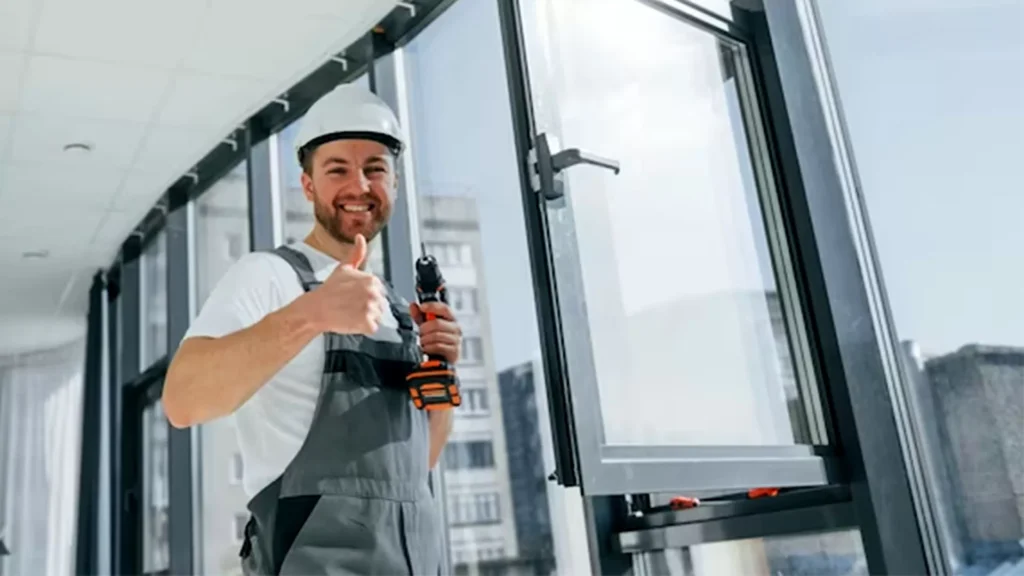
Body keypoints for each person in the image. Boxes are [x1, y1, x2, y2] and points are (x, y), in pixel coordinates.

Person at [163, 82, 458, 575]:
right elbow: (183, 400)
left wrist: (443, 376)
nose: (359, 186)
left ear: (394, 185)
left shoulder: (399, 310)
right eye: (337, 169)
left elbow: (414, 468)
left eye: (375, 169)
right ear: (308, 186)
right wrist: (311, 314)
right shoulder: (269, 276)